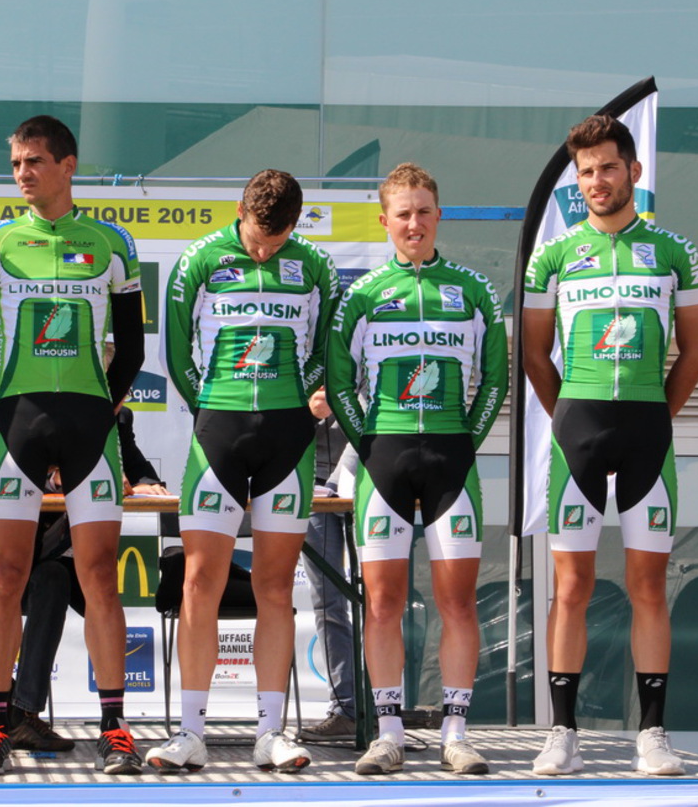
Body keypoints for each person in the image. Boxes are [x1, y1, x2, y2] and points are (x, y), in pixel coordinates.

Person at [522, 115, 698, 777]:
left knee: (647, 585)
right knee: (570, 586)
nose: (596, 181)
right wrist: (570, 417)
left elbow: (695, 351)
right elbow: (535, 354)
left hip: (646, 433)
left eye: (606, 167)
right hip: (578, 430)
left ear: (633, 170)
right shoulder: (554, 255)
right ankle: (562, 733)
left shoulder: (674, 251)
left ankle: (653, 734)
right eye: (585, 172)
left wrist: (656, 415)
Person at [0, 115, 146, 775]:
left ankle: (115, 728)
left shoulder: (112, 243)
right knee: (5, 577)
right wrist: (12, 409)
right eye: (16, 162)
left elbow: (133, 349)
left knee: (99, 578)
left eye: (34, 161)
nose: (22, 173)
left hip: (90, 428)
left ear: (68, 166)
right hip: (18, 426)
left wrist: (100, 409)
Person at [152, 169, 339, 774]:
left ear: (295, 225)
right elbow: (176, 353)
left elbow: (327, 351)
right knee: (199, 583)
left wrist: (300, 400)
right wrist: (210, 406)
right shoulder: (200, 260)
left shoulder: (315, 266)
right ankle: (190, 733)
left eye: (276, 241)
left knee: (275, 588)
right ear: (240, 211)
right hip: (220, 432)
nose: (264, 252)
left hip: (287, 436)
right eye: (258, 239)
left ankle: (270, 733)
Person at [325, 162, 508, 776]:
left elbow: (496, 379)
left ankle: (456, 733)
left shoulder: (473, 289)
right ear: (385, 220)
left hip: (452, 460)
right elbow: (341, 382)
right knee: (382, 603)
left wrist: (467, 439)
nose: (414, 223)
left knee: (458, 603)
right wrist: (368, 442)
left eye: (424, 211)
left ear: (439, 215)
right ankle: (388, 734)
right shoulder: (363, 295)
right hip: (386, 461)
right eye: (403, 213)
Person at [0, 406, 166, 752]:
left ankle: (26, 711)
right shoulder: (26, 406)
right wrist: (54, 481)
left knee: (54, 578)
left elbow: (141, 473)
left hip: (46, 567)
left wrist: (144, 483)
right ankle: (12, 718)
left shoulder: (114, 418)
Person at [296, 390, 359, 743]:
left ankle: (384, 707)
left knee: (380, 602)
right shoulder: (298, 367)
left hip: (369, 481)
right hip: (315, 488)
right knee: (327, 602)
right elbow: (274, 433)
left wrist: (339, 480)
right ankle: (346, 709)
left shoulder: (369, 361)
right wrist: (308, 415)